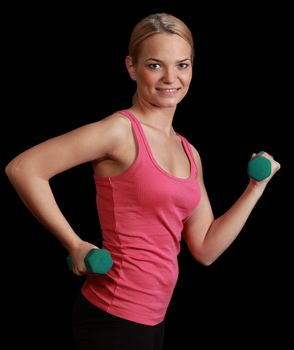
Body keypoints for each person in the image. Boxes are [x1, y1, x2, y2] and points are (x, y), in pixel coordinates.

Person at [5, 12, 280, 350]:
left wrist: (256, 187)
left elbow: (206, 248)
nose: (170, 78)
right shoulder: (120, 131)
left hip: (153, 319)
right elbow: (25, 168)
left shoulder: (189, 152)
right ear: (131, 67)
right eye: (154, 65)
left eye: (182, 65)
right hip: (112, 315)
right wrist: (74, 244)